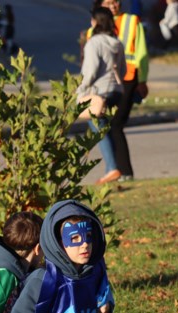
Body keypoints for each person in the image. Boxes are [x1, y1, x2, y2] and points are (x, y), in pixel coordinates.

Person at [92, 0, 149, 182]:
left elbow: (141, 53)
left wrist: (142, 80)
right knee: (105, 125)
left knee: (116, 124)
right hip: (104, 83)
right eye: (109, 2)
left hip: (128, 79)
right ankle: (115, 169)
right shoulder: (93, 27)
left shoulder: (132, 22)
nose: (113, 5)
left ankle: (122, 171)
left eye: (116, 1)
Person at [80, 7, 126, 185]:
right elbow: (123, 69)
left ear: (95, 22)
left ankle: (112, 168)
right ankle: (113, 168)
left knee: (98, 129)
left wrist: (80, 92)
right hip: (116, 91)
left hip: (100, 92)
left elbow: (89, 71)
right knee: (107, 129)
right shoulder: (117, 43)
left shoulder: (94, 43)